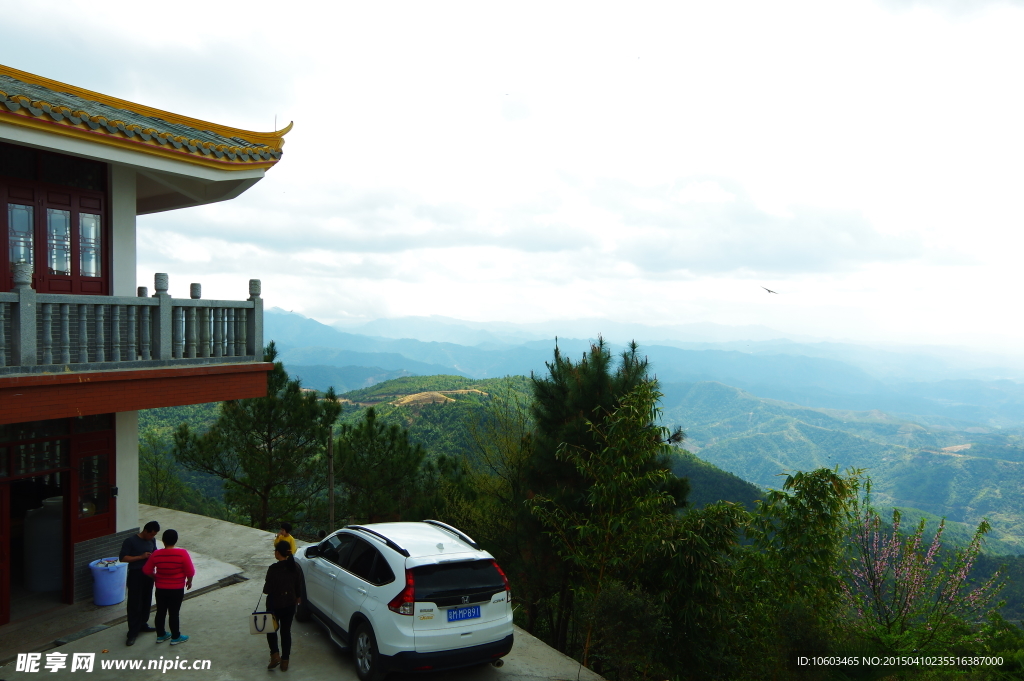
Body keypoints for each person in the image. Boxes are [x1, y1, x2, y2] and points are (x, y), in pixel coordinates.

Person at [142, 529, 195, 646]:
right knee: (174, 613)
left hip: (161, 588)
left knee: (160, 612)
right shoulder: (182, 553)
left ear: (163, 540)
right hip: (177, 588)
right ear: (176, 540)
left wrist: (155, 577)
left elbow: (146, 570)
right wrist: (189, 581)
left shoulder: (156, 554)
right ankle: (176, 637)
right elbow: (190, 571)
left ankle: (161, 635)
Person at [263, 540, 304, 671]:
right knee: (286, 632)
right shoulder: (295, 567)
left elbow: (266, 590)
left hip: (275, 605)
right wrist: (297, 597)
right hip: (290, 604)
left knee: (271, 630)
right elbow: (298, 586)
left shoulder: (273, 569)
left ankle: (275, 655)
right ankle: (285, 661)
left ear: (278, 553)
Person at [120, 520, 159, 646]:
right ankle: (132, 631)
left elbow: (155, 553)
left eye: (154, 535)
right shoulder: (130, 541)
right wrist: (141, 557)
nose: (152, 537)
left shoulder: (152, 541)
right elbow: (123, 558)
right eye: (151, 534)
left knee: (146, 600)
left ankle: (143, 623)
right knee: (134, 602)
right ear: (145, 531)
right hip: (136, 574)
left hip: (148, 574)